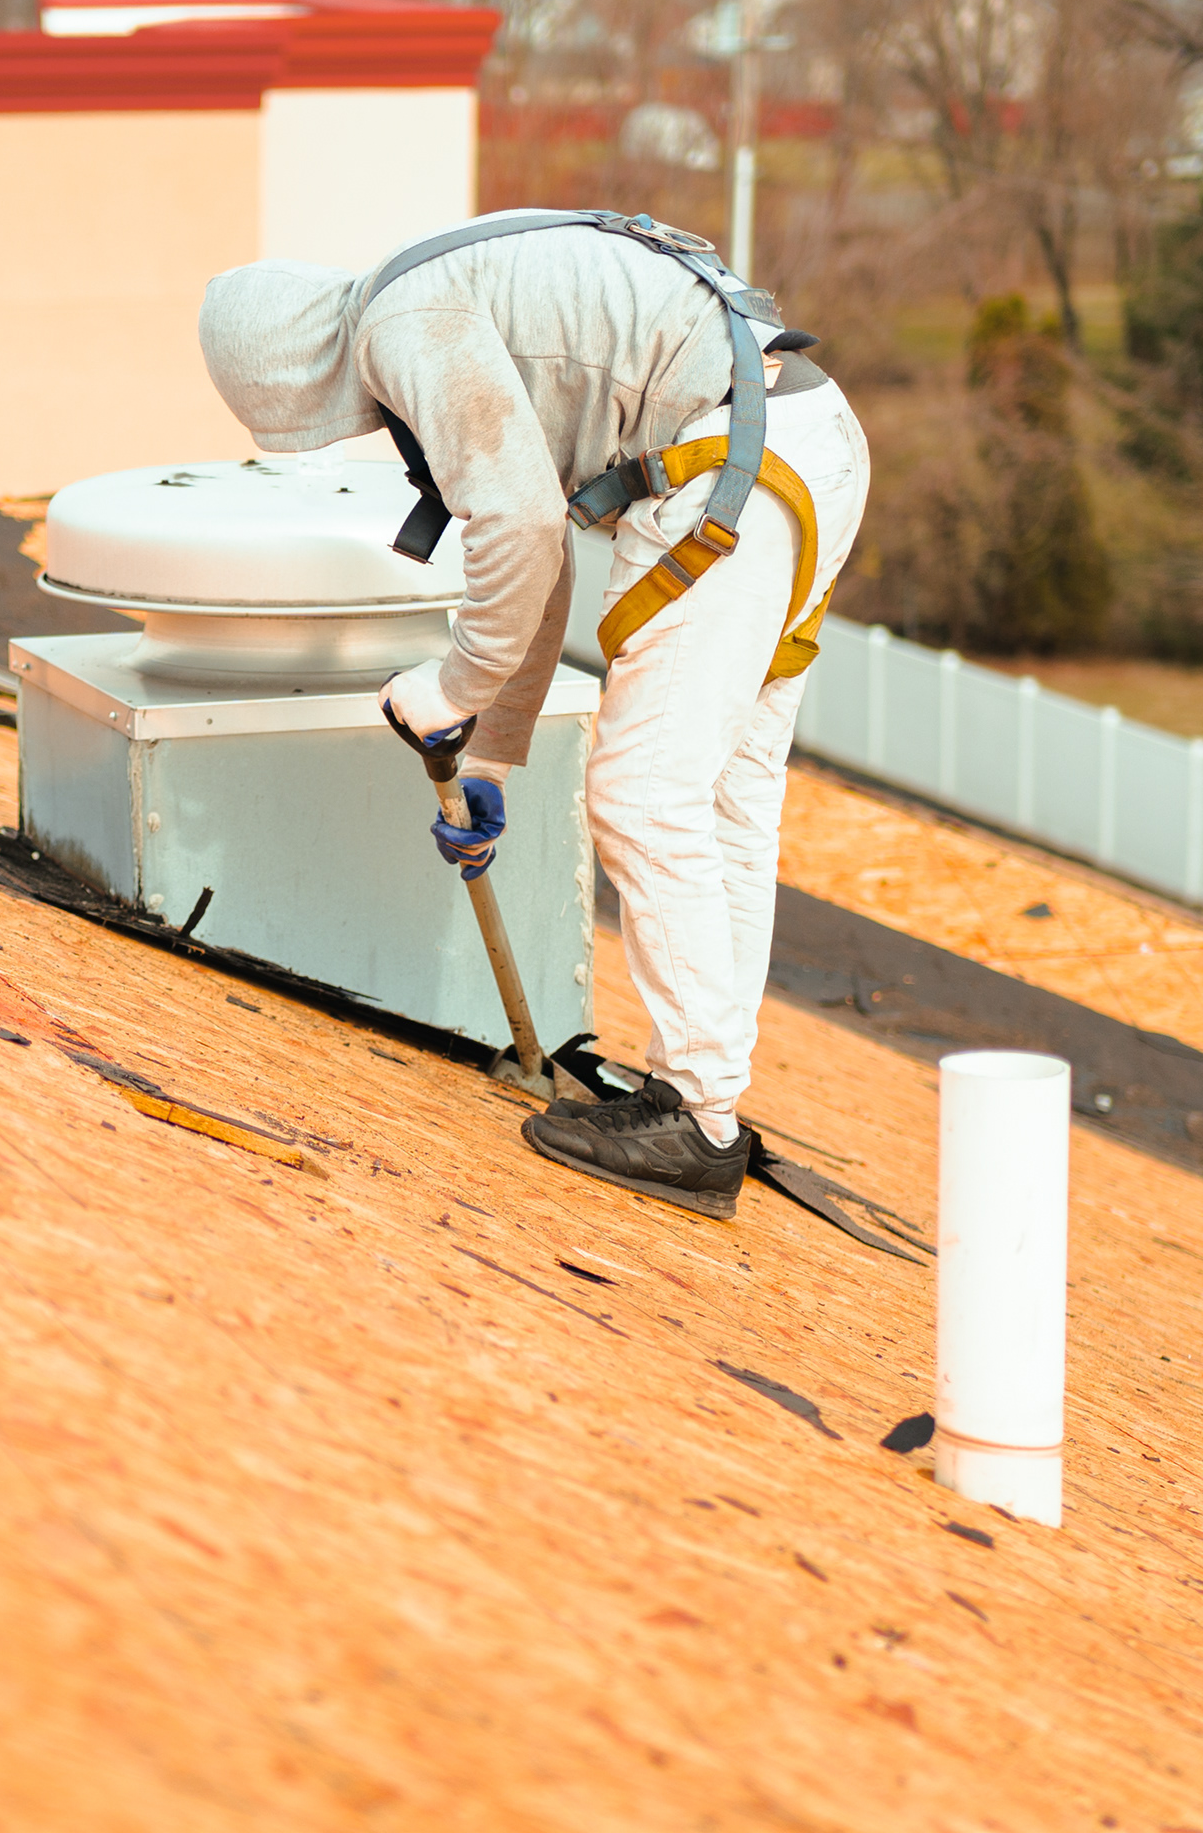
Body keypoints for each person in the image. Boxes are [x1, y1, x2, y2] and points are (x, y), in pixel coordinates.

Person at [195, 210, 871, 1218]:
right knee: (727, 798)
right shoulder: (446, 289)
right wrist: (492, 755)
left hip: (735, 460)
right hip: (811, 437)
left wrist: (452, 690)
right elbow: (537, 540)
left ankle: (696, 1118)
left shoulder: (404, 325)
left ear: (283, 382)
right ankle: (708, 1095)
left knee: (645, 795)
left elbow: (517, 523)